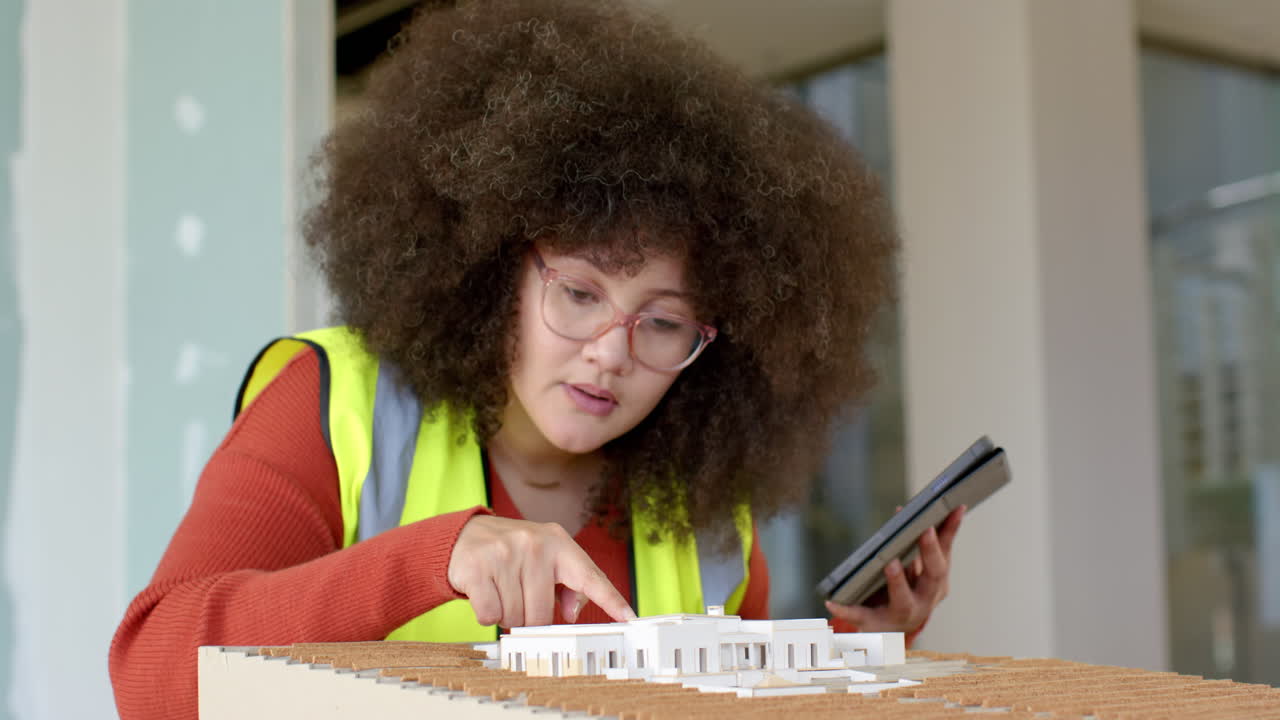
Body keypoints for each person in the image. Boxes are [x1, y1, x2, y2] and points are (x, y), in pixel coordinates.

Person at [108, 0, 963, 717]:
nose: (610, 355)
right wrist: (432, 560)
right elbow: (152, 671)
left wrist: (862, 643)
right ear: (491, 266)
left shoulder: (707, 507)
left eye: (663, 322)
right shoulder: (335, 404)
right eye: (580, 293)